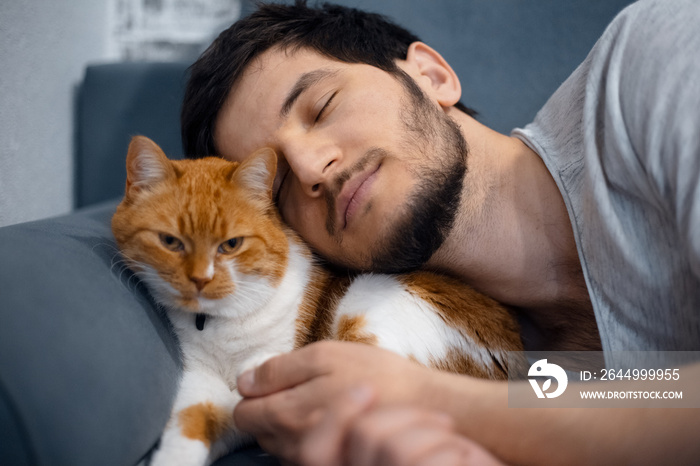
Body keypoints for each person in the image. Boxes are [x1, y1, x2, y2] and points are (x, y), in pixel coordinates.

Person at [180, 0, 700, 464]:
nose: (312, 168)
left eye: (322, 106)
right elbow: (645, 396)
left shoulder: (653, 57)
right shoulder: (495, 360)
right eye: (280, 185)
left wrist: (439, 403)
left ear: (431, 75)